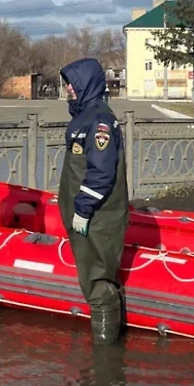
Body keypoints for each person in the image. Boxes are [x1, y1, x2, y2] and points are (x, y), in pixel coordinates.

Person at [58, 57, 128, 345]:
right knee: (95, 277)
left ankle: (105, 356)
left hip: (98, 217)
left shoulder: (99, 120)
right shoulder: (84, 117)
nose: (68, 90)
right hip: (86, 214)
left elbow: (101, 172)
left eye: (71, 84)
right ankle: (111, 347)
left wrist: (84, 209)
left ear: (85, 84)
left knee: (97, 282)